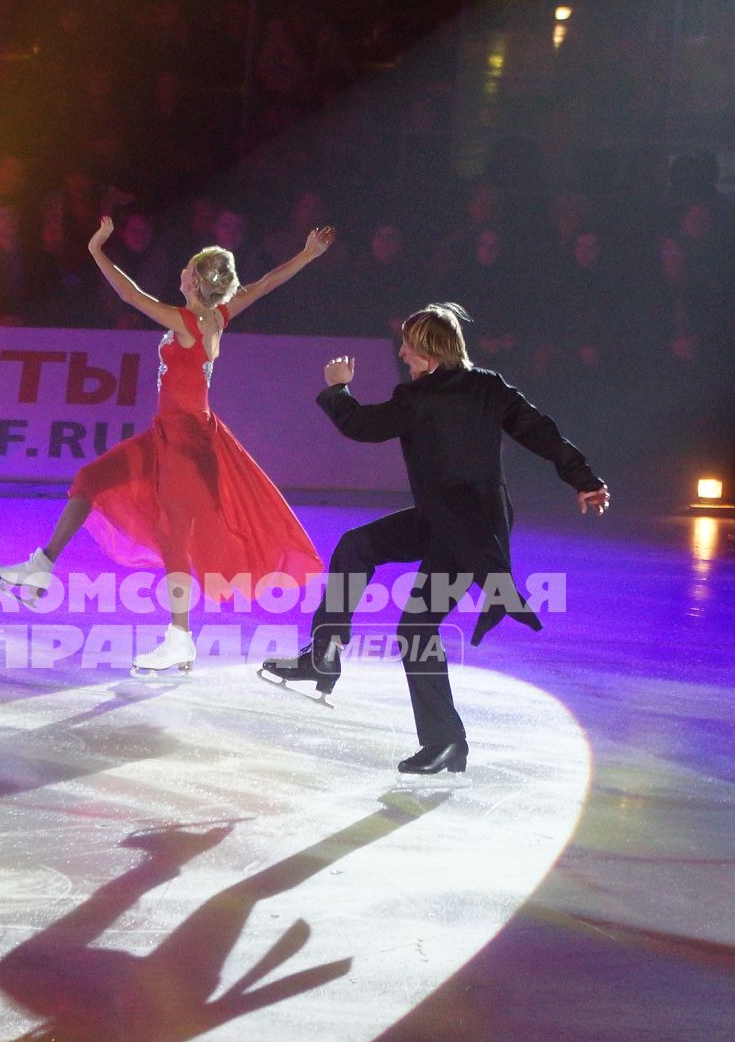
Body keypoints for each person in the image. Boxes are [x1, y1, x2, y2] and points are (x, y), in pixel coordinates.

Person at [260, 304, 609, 775]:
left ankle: (446, 741)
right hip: (448, 519)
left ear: (427, 351)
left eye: (408, 345)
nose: (401, 352)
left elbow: (361, 426)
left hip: (467, 534)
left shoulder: (419, 397)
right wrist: (583, 477)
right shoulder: (488, 386)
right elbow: (542, 433)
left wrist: (337, 388)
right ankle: (323, 654)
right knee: (355, 546)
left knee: (416, 629)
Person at [0, 216, 333, 675]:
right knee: (91, 478)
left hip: (188, 445)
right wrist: (306, 256)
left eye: (188, 270)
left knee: (175, 537)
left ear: (196, 281)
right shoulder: (218, 316)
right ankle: (40, 566)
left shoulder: (188, 321)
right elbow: (267, 283)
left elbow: (131, 296)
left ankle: (179, 638)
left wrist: (96, 251)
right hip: (166, 435)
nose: (182, 273)